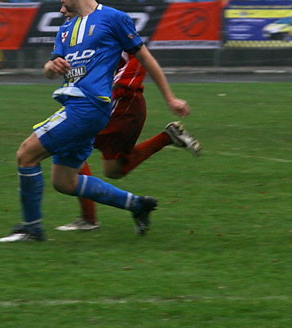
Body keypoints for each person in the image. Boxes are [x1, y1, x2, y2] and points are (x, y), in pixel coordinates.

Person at [0, 0, 191, 242]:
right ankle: (138, 204)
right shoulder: (65, 30)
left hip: (90, 106)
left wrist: (170, 98)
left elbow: (146, 58)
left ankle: (32, 229)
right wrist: (52, 66)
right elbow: (49, 70)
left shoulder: (114, 18)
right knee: (64, 182)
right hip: (75, 107)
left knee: (26, 154)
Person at [56, 15, 200, 232]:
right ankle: (166, 140)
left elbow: (139, 60)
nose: (60, 3)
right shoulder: (76, 30)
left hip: (120, 102)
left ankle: (89, 219)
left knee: (69, 144)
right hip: (111, 103)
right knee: (114, 169)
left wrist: (103, 92)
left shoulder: (107, 23)